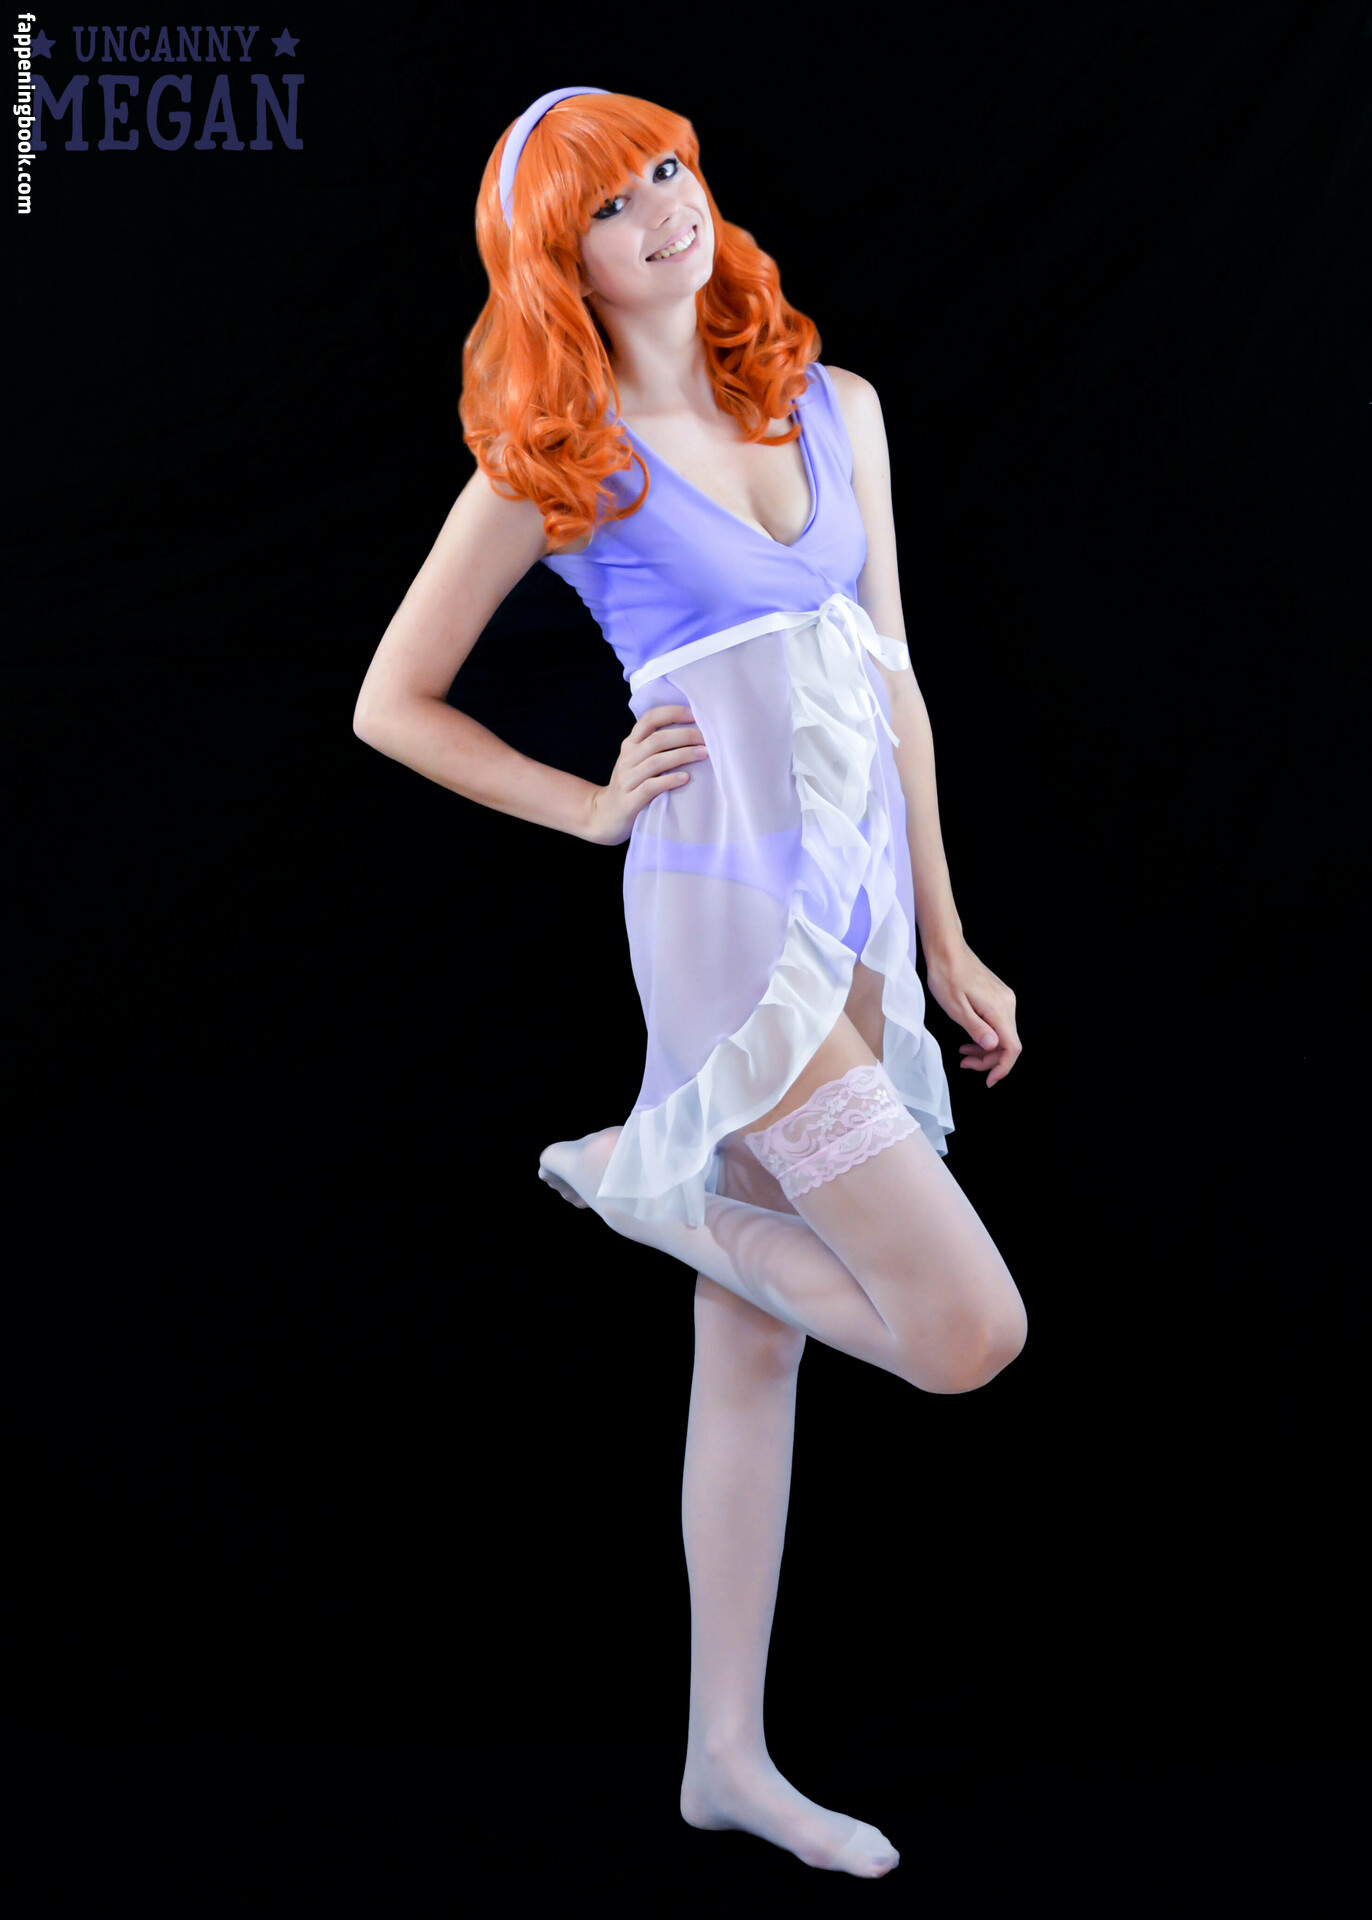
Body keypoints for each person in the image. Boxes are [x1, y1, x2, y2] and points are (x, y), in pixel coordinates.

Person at [353, 86, 1028, 1879]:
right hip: (724, 915)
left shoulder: (836, 406)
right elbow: (391, 701)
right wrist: (586, 805)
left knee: (754, 1343)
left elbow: (895, 687)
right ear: (553, 262)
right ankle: (636, 1188)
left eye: (670, 171)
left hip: (857, 908)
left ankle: (723, 1759)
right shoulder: (564, 464)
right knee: (967, 1336)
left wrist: (946, 935)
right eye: (609, 204)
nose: (663, 209)